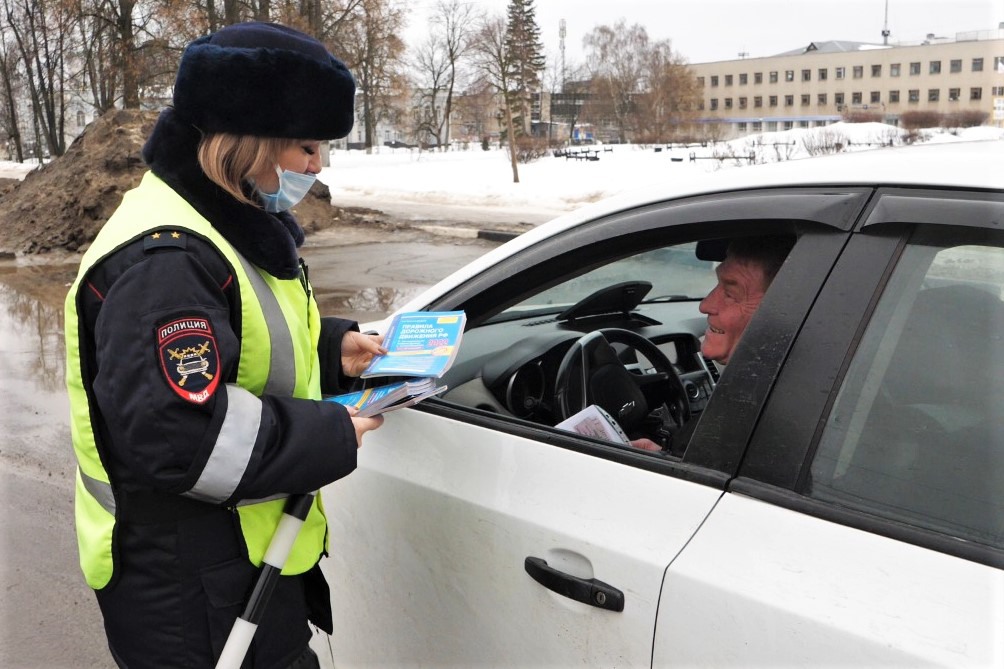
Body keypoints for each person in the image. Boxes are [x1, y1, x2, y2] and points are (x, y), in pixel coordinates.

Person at [64, 22, 382, 668]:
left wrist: (332, 351)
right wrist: (329, 432)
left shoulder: (224, 223)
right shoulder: (167, 261)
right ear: (253, 142)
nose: (317, 164)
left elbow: (237, 346)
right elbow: (181, 436)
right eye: (307, 145)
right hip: (192, 598)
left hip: (233, 574)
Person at [631, 235, 794, 452]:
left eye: (730, 293)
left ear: (785, 311)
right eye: (717, 285)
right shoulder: (776, 390)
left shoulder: (759, 418)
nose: (706, 305)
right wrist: (663, 457)